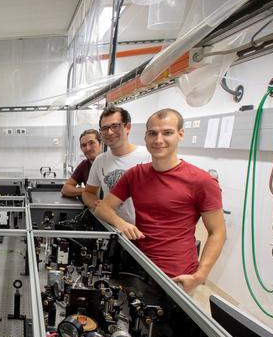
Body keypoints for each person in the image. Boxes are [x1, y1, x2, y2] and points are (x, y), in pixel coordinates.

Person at [94, 108, 226, 293]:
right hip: (139, 267)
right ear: (146, 137)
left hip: (177, 276)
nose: (158, 140)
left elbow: (217, 232)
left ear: (180, 135)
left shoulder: (201, 181)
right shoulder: (135, 174)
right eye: (152, 133)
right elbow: (103, 208)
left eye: (167, 133)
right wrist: (121, 223)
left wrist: (200, 276)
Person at [82, 106, 151, 224]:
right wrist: (96, 204)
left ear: (127, 127)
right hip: (114, 230)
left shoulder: (148, 156)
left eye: (115, 126)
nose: (109, 132)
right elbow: (88, 192)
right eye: (104, 128)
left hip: (145, 230)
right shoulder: (100, 161)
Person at [61, 129, 102, 198]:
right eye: (84, 145)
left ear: (101, 144)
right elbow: (65, 189)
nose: (87, 148)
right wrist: (88, 191)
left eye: (91, 143)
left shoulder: (110, 162)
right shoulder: (84, 165)